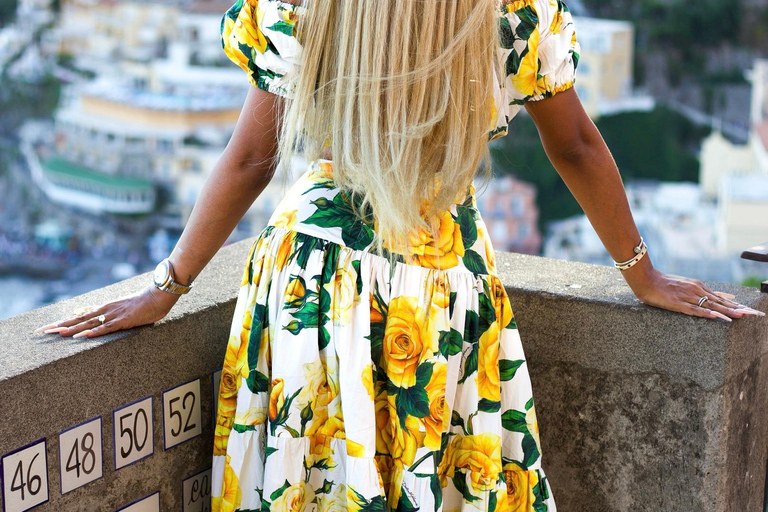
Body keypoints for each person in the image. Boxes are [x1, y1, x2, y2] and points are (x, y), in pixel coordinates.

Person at [36, 0, 765, 510]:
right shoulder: (510, 13)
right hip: (438, 288)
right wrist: (642, 275)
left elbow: (251, 159)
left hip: (308, 283)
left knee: (307, 487)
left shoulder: (304, 5)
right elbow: (574, 146)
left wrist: (167, 285)